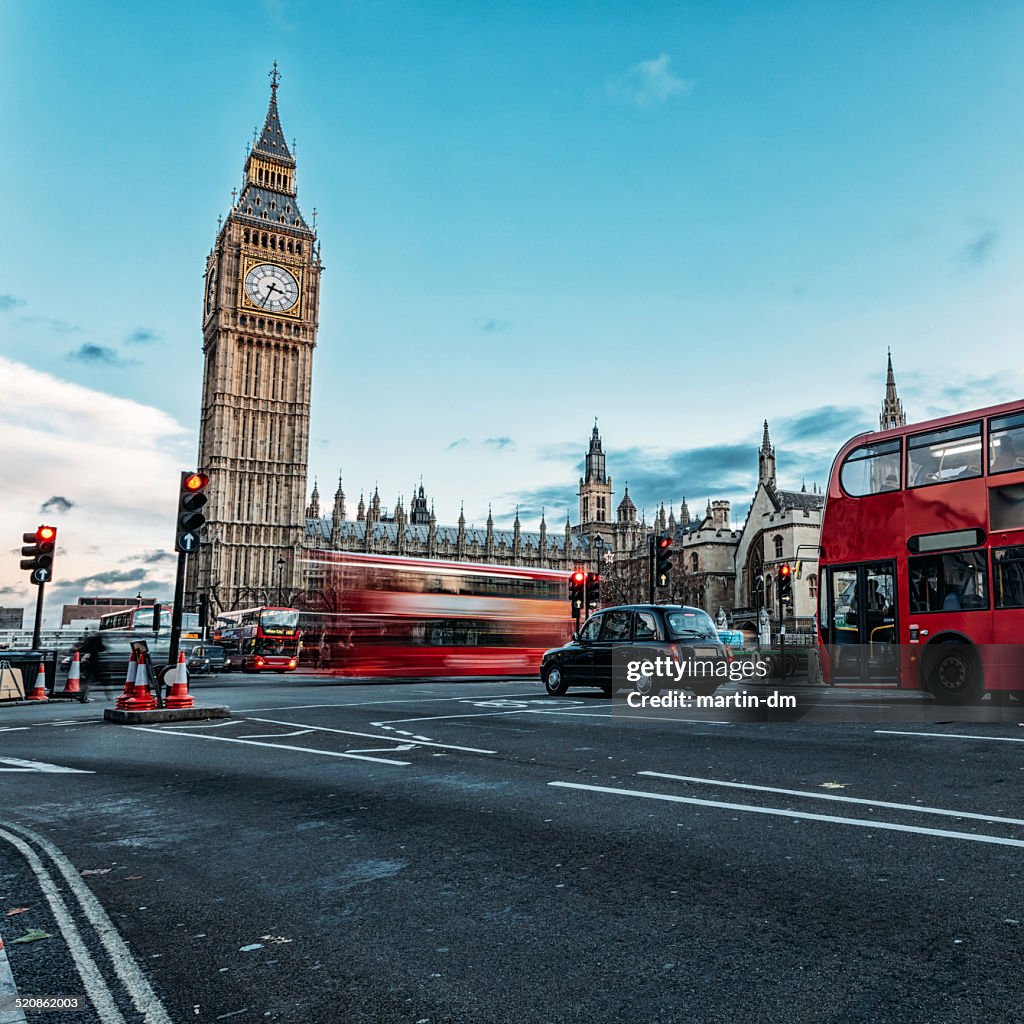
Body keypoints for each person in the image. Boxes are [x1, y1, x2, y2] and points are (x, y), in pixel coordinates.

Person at [76, 632, 105, 703]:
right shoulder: (98, 643)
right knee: (88, 682)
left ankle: (82, 695)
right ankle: (84, 697)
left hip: (87, 664)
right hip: (93, 665)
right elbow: (102, 648)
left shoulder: (89, 643)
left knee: (85, 681)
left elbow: (82, 649)